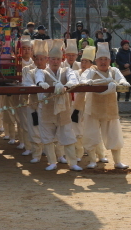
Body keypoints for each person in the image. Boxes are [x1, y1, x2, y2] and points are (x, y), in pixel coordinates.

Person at [80, 42, 130, 169]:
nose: (103, 62)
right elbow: (83, 80)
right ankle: (92, 160)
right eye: (100, 59)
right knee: (91, 135)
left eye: (105, 59)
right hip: (93, 109)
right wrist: (89, 82)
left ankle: (117, 161)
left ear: (110, 60)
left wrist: (123, 82)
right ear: (96, 60)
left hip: (110, 109)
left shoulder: (114, 70)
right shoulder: (91, 71)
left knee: (114, 135)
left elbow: (122, 80)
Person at [36, 39, 82, 171]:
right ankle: (52, 162)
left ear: (62, 60)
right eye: (52, 59)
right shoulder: (42, 72)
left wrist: (66, 86)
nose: (55, 61)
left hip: (63, 110)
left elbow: (73, 79)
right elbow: (39, 78)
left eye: (58, 59)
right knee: (48, 137)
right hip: (46, 109)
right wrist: (41, 84)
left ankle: (72, 163)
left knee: (67, 136)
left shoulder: (66, 71)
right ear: (48, 60)